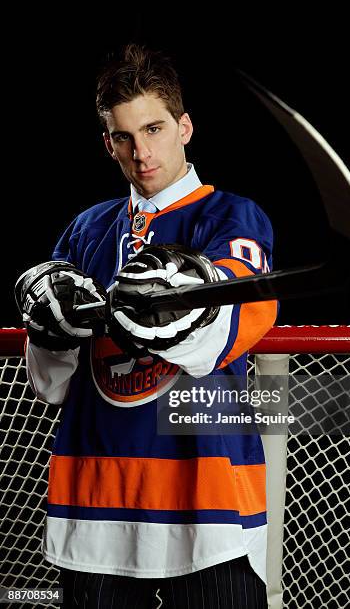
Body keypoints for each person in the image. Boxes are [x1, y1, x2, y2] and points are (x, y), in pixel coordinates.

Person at [16, 44, 278, 608]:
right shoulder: (85, 230)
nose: (142, 152)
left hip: (205, 506)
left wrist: (181, 304)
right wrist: (52, 329)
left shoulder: (231, 216)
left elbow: (231, 327)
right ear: (107, 142)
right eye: (124, 137)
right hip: (96, 503)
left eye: (155, 129)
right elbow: (52, 385)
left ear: (185, 127)